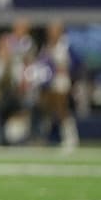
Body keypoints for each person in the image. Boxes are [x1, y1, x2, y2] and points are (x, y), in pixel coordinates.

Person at [37, 21, 78, 151]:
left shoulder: (66, 45)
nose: (52, 33)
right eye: (50, 31)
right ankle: (52, 137)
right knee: (50, 110)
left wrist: (67, 70)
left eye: (55, 30)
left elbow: (76, 63)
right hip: (49, 82)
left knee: (62, 110)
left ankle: (70, 139)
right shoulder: (47, 46)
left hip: (62, 81)